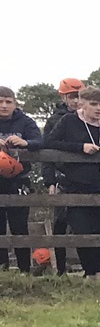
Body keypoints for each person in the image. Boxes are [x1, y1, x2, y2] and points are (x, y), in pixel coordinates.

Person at [40, 84, 100, 277]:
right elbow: (49, 143)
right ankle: (90, 272)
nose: (98, 108)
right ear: (82, 104)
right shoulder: (68, 121)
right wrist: (80, 147)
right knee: (82, 232)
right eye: (93, 104)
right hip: (76, 186)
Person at [0, 86, 40, 273]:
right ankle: (2, 270)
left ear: (15, 104)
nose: (4, 105)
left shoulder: (25, 122)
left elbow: (41, 141)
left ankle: (25, 270)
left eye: (8, 102)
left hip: (18, 179)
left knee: (20, 227)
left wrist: (26, 143)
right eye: (0, 102)